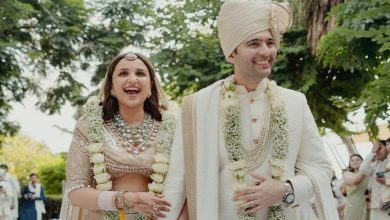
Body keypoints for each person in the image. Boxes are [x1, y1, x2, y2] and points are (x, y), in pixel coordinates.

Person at [162, 0, 339, 219]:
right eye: (254, 43)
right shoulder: (196, 107)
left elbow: (321, 168)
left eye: (270, 42)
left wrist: (285, 190)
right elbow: (177, 182)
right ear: (231, 54)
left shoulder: (295, 102)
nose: (266, 51)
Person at [60, 52, 179, 220]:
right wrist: (128, 199)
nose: (132, 79)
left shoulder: (172, 127)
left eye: (140, 73)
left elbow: (186, 185)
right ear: (111, 85)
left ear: (151, 84)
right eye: (123, 73)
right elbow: (76, 191)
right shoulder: (88, 126)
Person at [360, 140, 390, 219]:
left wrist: (386, 181)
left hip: (387, 206)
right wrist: (372, 152)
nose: (377, 150)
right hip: (375, 207)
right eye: (375, 148)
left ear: (387, 147)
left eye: (379, 147)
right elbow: (362, 169)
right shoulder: (374, 166)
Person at [341, 154, 369, 220]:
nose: (355, 161)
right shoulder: (347, 174)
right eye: (352, 160)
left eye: (357, 159)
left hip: (366, 207)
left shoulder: (368, 174)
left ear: (362, 162)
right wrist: (365, 167)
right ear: (350, 164)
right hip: (352, 208)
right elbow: (355, 180)